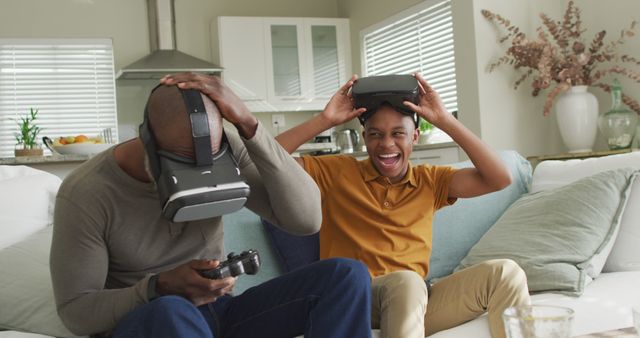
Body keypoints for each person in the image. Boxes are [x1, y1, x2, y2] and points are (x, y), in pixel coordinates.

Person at [50, 72, 372, 338]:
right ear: (147, 139)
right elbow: (77, 313)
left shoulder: (227, 149)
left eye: (210, 164)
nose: (201, 176)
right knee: (171, 309)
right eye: (184, 165)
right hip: (151, 320)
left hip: (220, 312)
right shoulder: (87, 193)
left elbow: (306, 220)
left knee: (346, 275)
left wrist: (249, 125)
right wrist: (157, 287)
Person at [273, 73, 531, 338]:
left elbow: (500, 178)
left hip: (415, 299)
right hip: (356, 299)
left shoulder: (430, 181)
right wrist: (324, 120)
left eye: (398, 134)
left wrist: (445, 120)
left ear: (415, 137)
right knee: (407, 282)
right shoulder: (336, 172)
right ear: (364, 137)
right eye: (375, 134)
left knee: (505, 273)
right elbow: (264, 158)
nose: (386, 144)